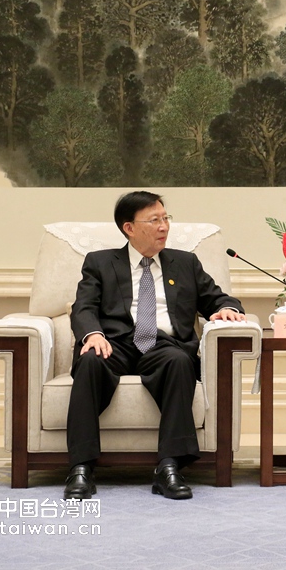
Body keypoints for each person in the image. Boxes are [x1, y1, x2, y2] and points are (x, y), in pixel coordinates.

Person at [64, 191, 246, 501]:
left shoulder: (185, 263)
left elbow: (218, 298)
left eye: (165, 218)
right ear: (129, 228)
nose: (163, 227)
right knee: (91, 359)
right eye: (154, 220)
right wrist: (93, 335)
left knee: (179, 360)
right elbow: (84, 306)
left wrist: (227, 309)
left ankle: (169, 467)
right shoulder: (100, 262)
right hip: (115, 342)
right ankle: (81, 468)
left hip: (163, 344)